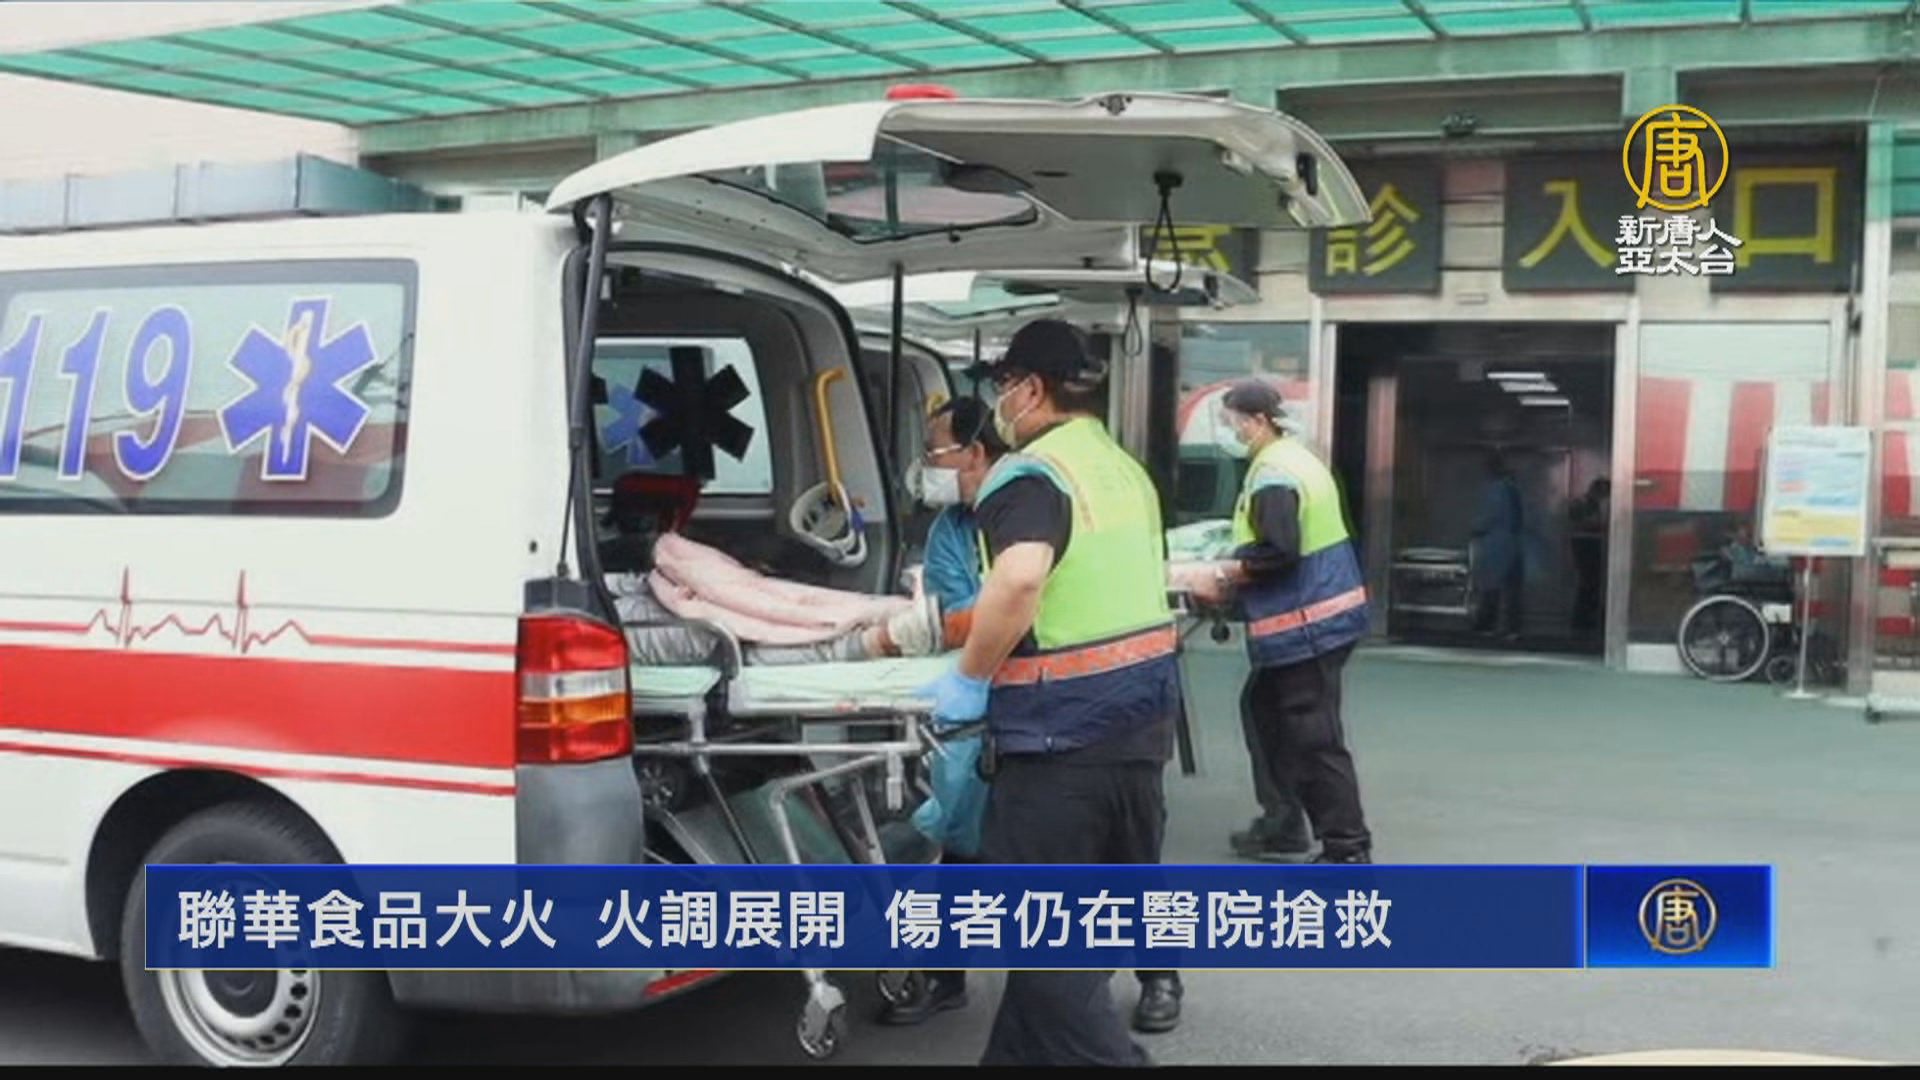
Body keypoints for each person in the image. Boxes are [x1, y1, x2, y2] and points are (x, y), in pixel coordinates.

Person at [915, 319, 1183, 1067]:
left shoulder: (1032, 474)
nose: (999, 402)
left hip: (1058, 740)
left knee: (1047, 958)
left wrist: (969, 675)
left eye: (1004, 386)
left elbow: (1022, 577)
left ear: (1031, 389)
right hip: (1138, 728)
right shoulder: (1122, 469)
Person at [1188, 378, 1372, 866]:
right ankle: (1284, 822)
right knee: (1265, 710)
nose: (1228, 430)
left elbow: (1279, 549)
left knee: (1313, 736)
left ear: (1257, 421)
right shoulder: (1295, 459)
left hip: (1308, 623)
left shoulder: (1274, 474)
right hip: (1319, 616)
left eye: (1231, 421)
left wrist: (1224, 571)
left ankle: (1347, 848)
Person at [1471, 450, 1526, 643]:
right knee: (1511, 588)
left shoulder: (1497, 490)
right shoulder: (1513, 488)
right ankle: (1511, 627)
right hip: (1513, 544)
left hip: (1497, 544)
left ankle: (1486, 624)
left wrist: (1476, 529)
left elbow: (1488, 517)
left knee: (1492, 586)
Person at [1567, 478, 1611, 637]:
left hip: (1591, 545)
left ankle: (1588, 620)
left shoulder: (1592, 504)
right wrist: (1598, 525)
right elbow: (1577, 522)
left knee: (1592, 584)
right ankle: (1582, 621)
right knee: (1587, 583)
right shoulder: (1581, 503)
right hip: (1584, 545)